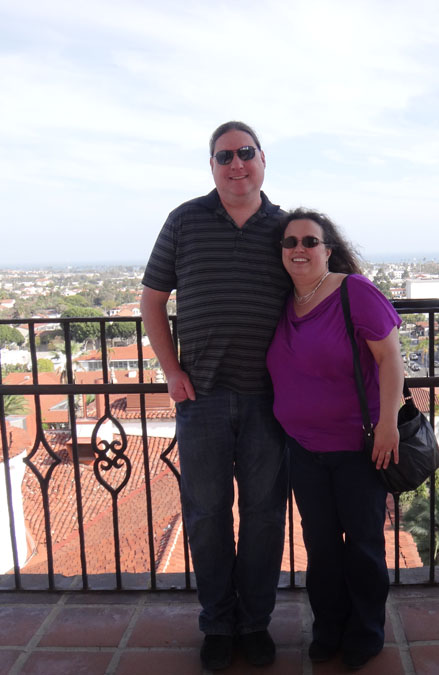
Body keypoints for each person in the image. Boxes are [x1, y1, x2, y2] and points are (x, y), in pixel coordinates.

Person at [140, 121, 290, 671]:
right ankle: (218, 624)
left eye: (245, 152)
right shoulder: (185, 220)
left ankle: (254, 623)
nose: (236, 164)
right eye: (224, 156)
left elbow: (324, 290)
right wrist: (171, 370)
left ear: (263, 159)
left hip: (269, 400)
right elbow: (152, 300)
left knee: (265, 516)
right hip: (200, 397)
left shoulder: (286, 229)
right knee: (206, 516)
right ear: (212, 166)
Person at [265, 208, 404, 670]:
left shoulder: (353, 292)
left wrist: (388, 424)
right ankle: (328, 628)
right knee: (321, 546)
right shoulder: (285, 302)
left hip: (358, 447)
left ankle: (365, 632)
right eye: (290, 242)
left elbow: (390, 359)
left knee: (363, 545)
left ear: (328, 250)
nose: (299, 249)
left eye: (310, 241)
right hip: (303, 449)